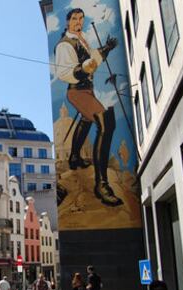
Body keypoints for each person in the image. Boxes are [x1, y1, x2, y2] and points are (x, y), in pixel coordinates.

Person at [55, 8, 122, 207]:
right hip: (76, 91)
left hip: (88, 90)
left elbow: (94, 59)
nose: (78, 22)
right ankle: (101, 185)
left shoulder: (82, 39)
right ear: (67, 21)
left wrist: (107, 48)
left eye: (81, 19)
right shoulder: (64, 44)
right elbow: (65, 72)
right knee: (106, 122)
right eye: (74, 18)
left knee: (87, 118)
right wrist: (85, 68)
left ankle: (75, 157)